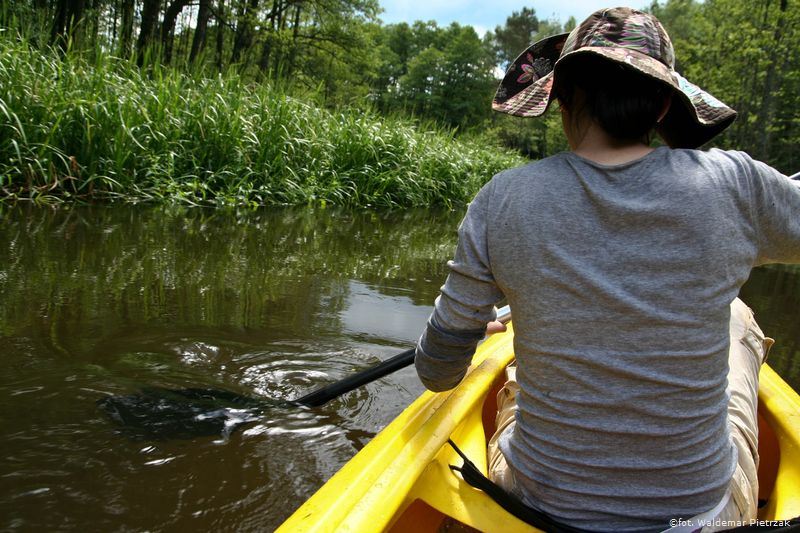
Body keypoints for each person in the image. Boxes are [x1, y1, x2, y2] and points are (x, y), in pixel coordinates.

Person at [414, 6, 800, 532]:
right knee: (735, 316)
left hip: (539, 509)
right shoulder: (736, 184)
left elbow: (437, 374)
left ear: (562, 96)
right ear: (665, 104)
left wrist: (458, 333)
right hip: (698, 515)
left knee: (518, 374)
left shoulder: (502, 198)